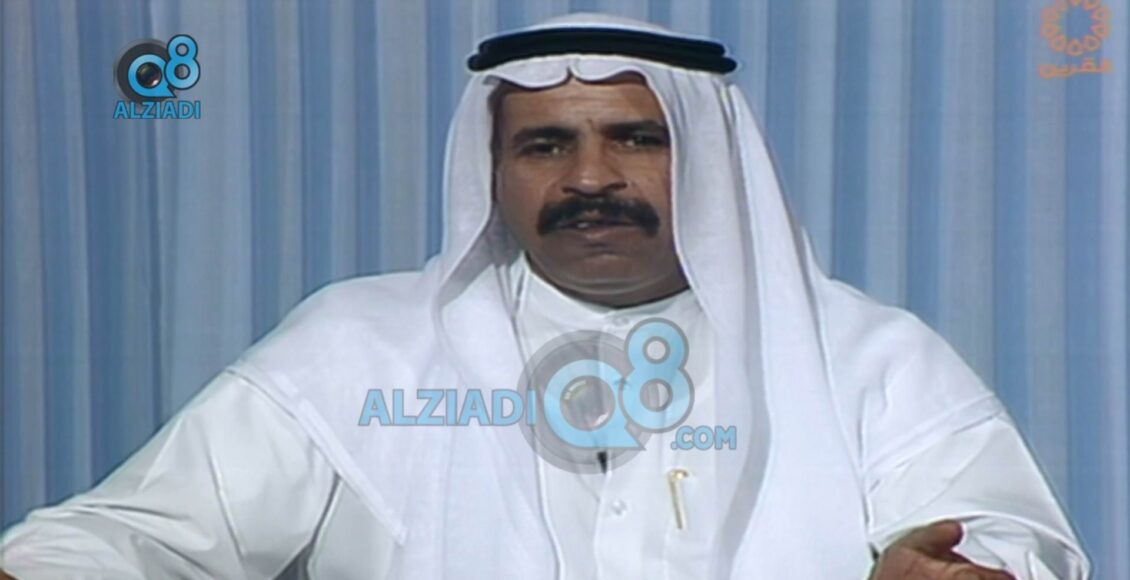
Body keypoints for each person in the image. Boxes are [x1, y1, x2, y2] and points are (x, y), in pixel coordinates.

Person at [1, 13, 1088, 580]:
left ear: (710, 160)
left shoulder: (865, 356)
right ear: (494, 168)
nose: (588, 179)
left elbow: (1000, 538)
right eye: (544, 145)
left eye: (636, 139)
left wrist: (964, 570)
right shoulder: (361, 348)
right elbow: (133, 537)